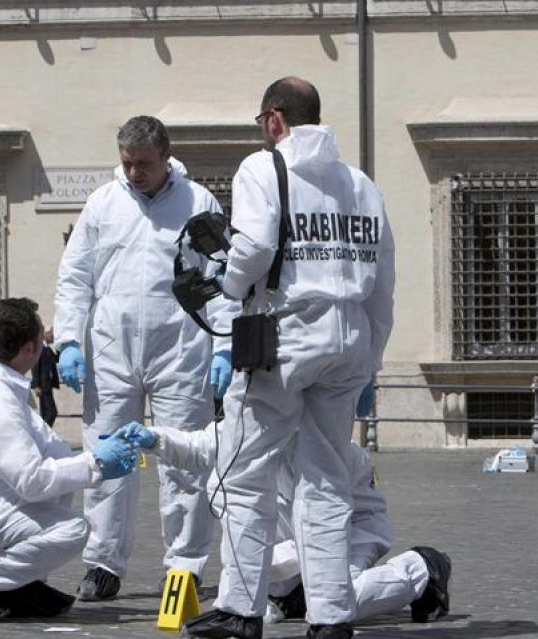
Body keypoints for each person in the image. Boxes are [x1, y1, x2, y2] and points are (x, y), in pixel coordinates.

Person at [182, 77, 397, 639]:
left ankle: (240, 609)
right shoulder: (361, 185)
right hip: (348, 337)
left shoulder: (263, 167)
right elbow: (383, 281)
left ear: (275, 120)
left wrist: (227, 288)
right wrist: (370, 354)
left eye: (262, 122)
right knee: (325, 480)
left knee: (243, 473)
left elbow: (252, 248)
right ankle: (330, 617)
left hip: (286, 335)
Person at [54, 115, 224, 601]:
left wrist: (227, 346)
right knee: (107, 456)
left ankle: (184, 567)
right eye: (127, 163)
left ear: (166, 157)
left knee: (184, 462)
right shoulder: (102, 204)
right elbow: (75, 277)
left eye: (143, 164)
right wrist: (68, 340)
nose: (134, 173)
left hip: (182, 350)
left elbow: (223, 275)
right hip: (111, 350)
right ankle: (103, 563)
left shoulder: (199, 203)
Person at [0, 297, 140, 623]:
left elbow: (51, 451)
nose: (45, 339)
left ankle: (19, 586)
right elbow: (34, 481)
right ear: (28, 350)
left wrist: (98, 453)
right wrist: (95, 465)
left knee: (62, 488)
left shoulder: (1, 388)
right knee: (71, 530)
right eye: (41, 336)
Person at [124, 422, 451, 627]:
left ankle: (422, 568)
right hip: (288, 536)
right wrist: (154, 438)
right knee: (265, 605)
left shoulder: (328, 450)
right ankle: (289, 595)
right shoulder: (251, 424)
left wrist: (257, 568)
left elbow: (321, 529)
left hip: (349, 533)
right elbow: (198, 446)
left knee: (339, 604)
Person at [30, 328, 60, 427]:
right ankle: (44, 433)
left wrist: (59, 346)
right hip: (43, 386)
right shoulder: (40, 348)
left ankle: (44, 435)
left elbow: (56, 359)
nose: (53, 337)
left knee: (46, 413)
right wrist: (36, 385)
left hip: (48, 385)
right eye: (52, 334)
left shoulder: (47, 348)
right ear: (46, 334)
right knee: (51, 412)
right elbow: (35, 367)